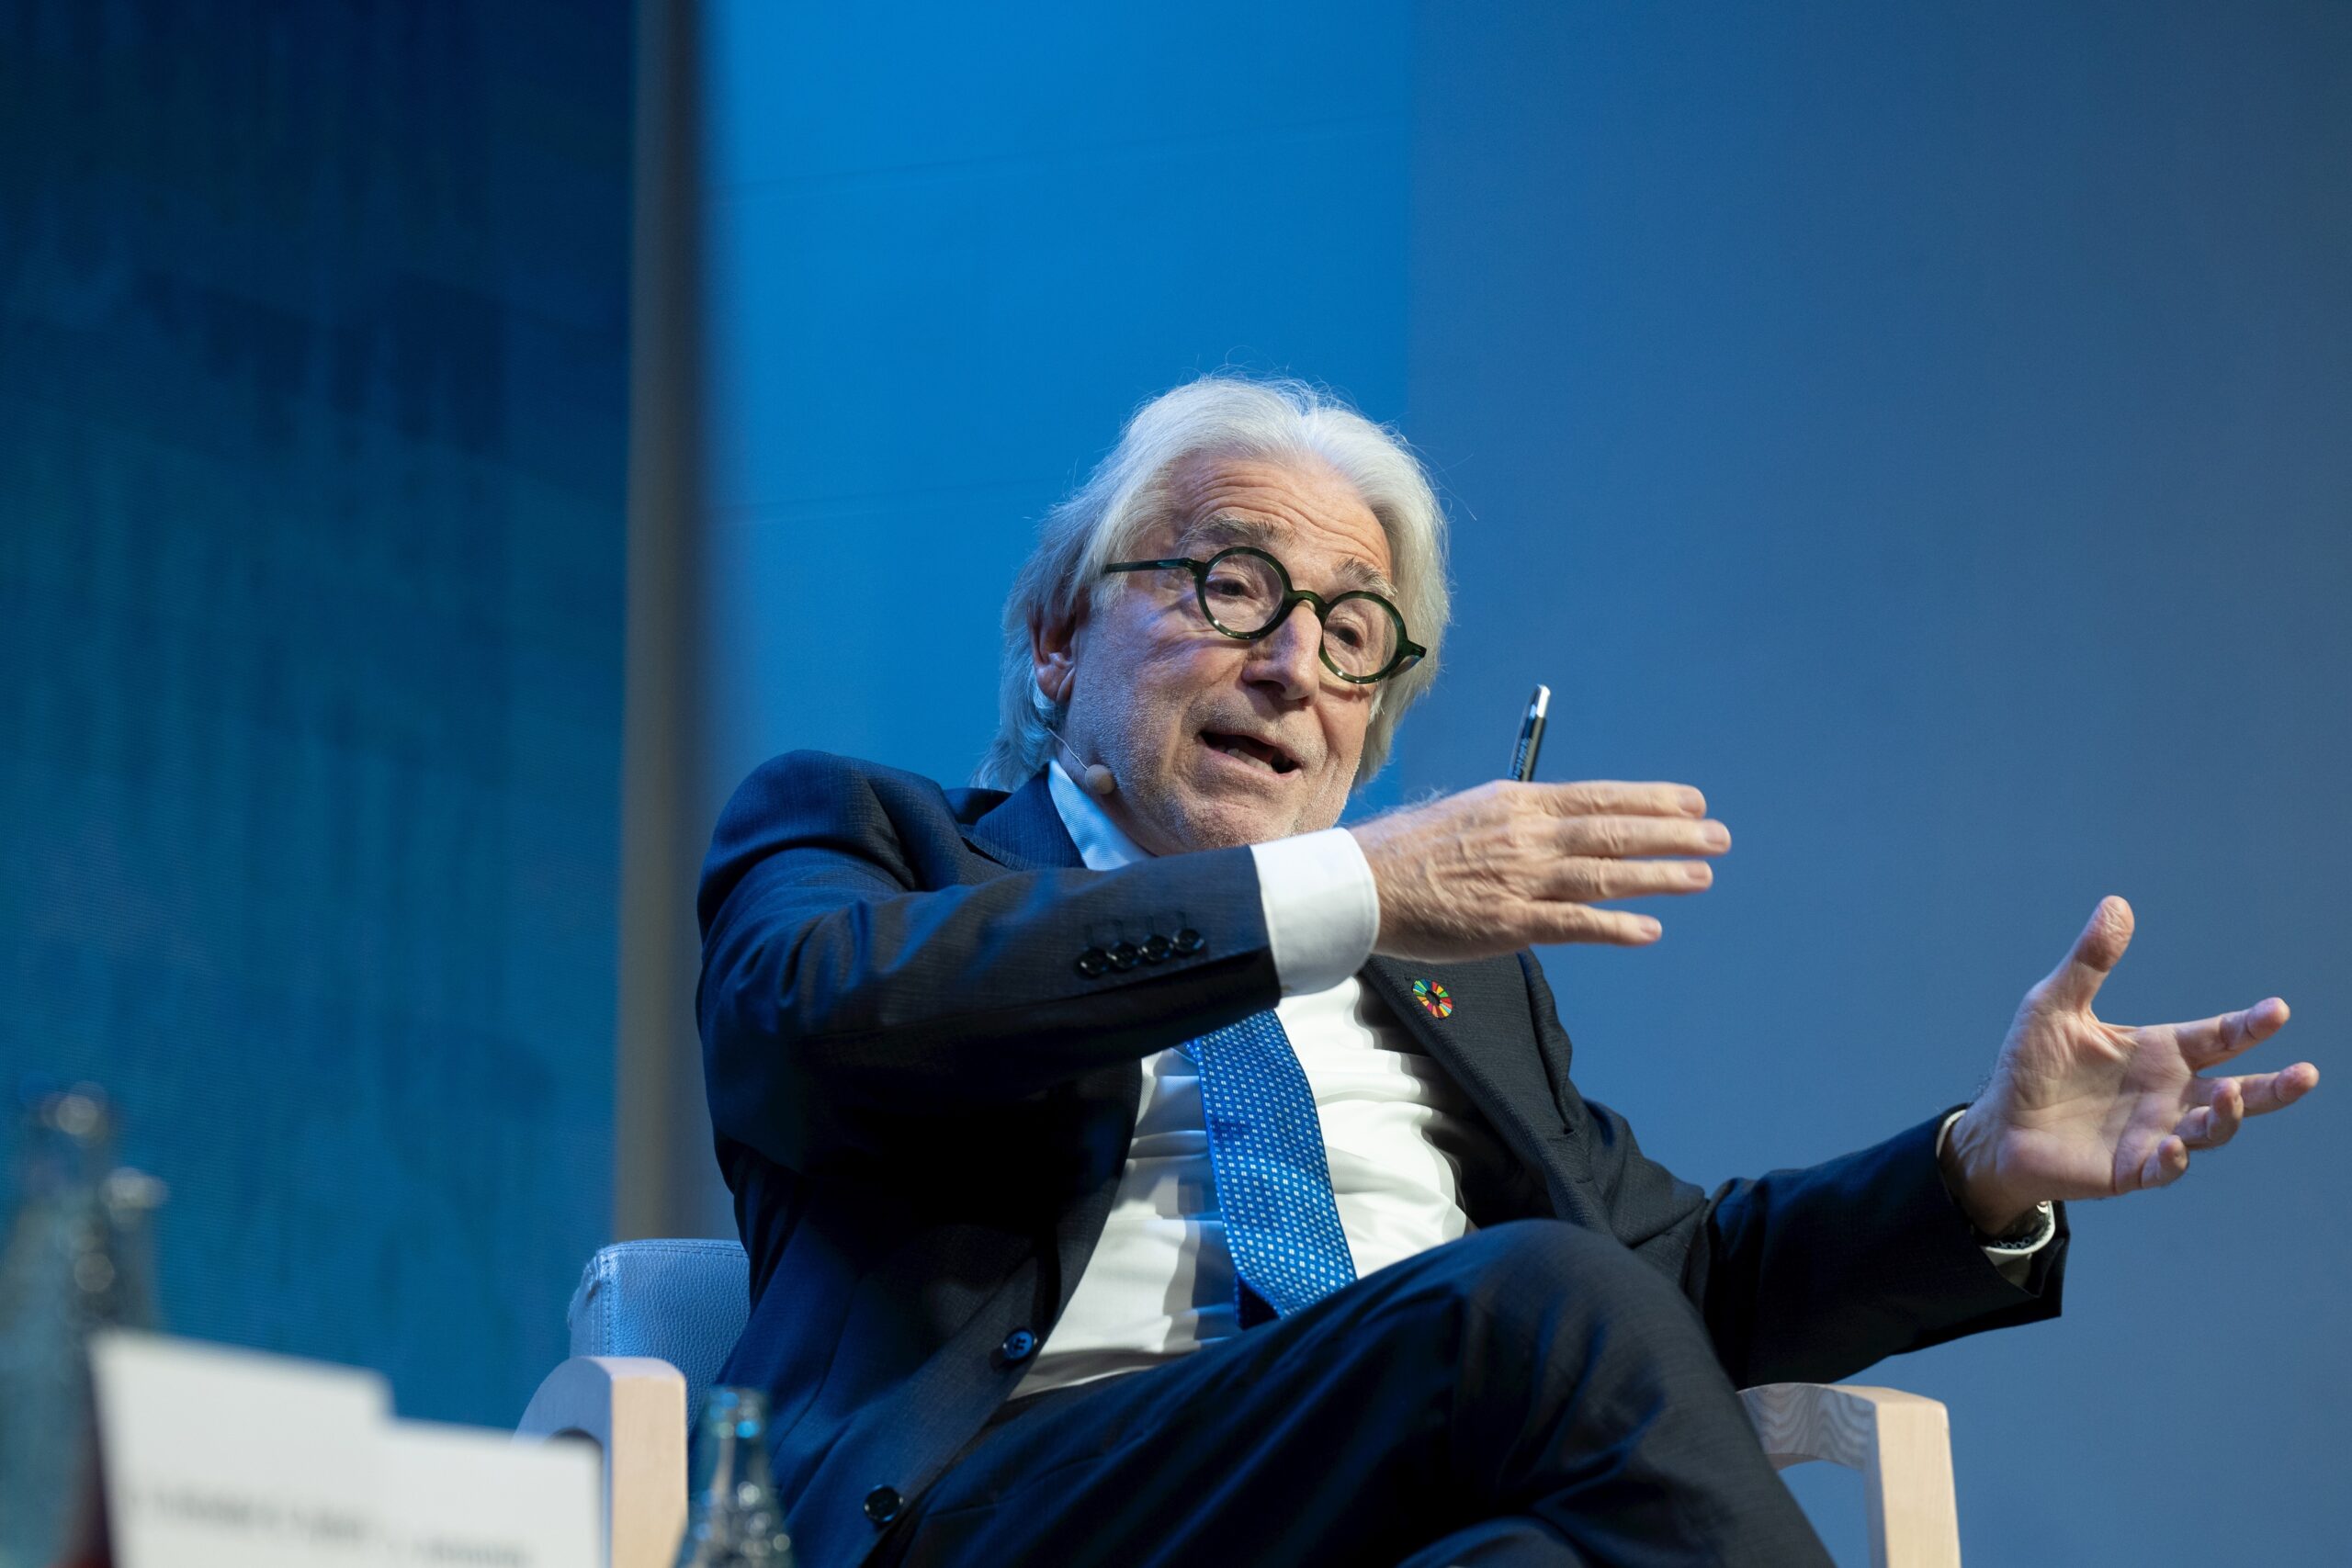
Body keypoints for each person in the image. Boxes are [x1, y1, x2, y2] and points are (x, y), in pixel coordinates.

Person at [695, 376, 2316, 1568]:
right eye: (1234, 586)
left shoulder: (1451, 986)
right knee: (1529, 1294)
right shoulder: (876, 841)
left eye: (1353, 636)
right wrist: (1345, 888)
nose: (1295, 666)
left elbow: (1673, 1291)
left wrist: (1976, 1172)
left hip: (1406, 1515)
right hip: (1015, 1508)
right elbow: (815, 1017)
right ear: (1060, 640)